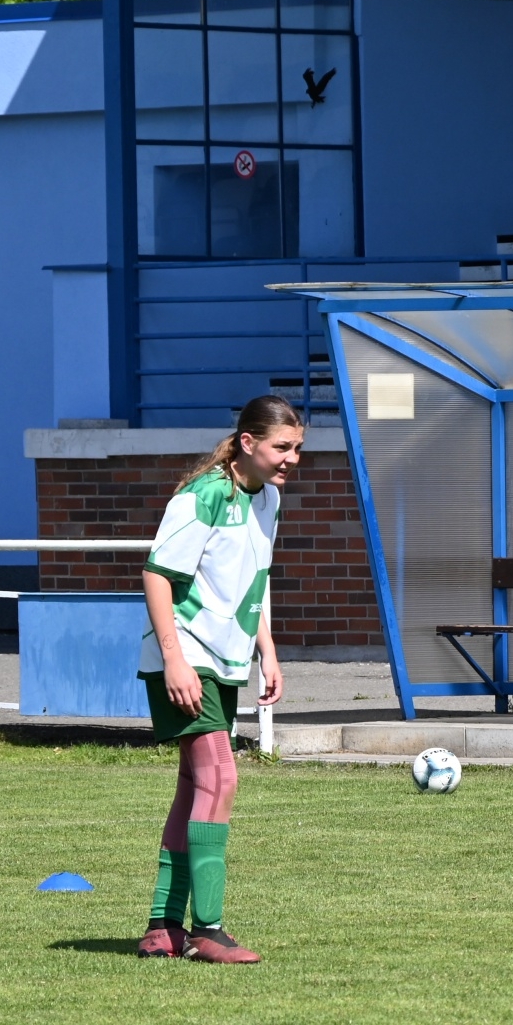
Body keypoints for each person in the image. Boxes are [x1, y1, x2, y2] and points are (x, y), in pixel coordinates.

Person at [136, 396, 303, 964]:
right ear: (248, 443)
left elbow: (251, 581)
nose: (291, 458)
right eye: (282, 447)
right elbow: (157, 575)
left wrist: (267, 651)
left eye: (297, 448)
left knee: (194, 786)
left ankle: (163, 928)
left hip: (224, 661)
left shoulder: (269, 498)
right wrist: (175, 660)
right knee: (220, 778)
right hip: (187, 659)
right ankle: (207, 931)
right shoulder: (204, 494)